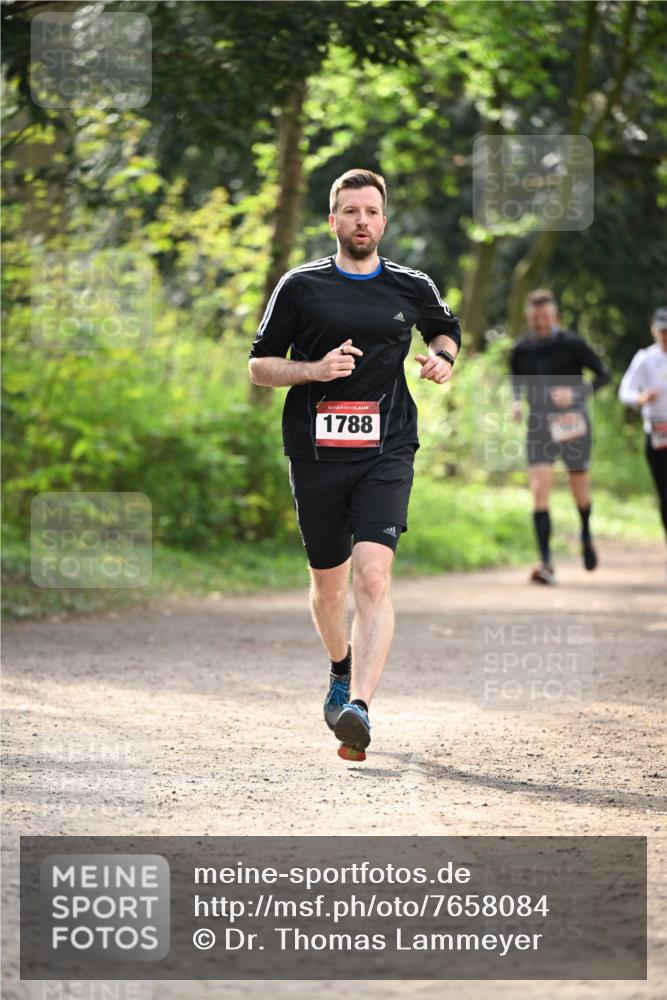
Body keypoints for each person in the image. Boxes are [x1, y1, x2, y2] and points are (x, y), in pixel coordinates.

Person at [248, 168, 461, 761]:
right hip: (315, 454)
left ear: (383, 222)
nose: (361, 221)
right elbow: (260, 366)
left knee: (373, 576)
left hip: (386, 450)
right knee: (328, 586)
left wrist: (442, 361)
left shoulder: (411, 285)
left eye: (371, 212)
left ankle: (359, 707)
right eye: (350, 211)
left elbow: (445, 331)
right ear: (333, 220)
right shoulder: (300, 286)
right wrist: (314, 370)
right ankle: (340, 666)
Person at [509, 289, 611, 585]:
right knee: (539, 491)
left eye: (546, 317)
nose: (541, 323)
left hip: (572, 422)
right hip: (539, 423)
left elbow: (604, 374)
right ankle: (546, 562)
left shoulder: (572, 344)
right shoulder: (521, 348)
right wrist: (516, 402)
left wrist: (577, 392)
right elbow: (516, 380)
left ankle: (586, 531)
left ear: (555, 316)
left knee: (579, 487)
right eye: (535, 318)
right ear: (529, 318)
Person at [618, 306, 667, 558]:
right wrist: (641, 398)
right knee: (664, 492)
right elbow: (624, 391)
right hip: (657, 434)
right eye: (662, 331)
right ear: (654, 331)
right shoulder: (645, 359)